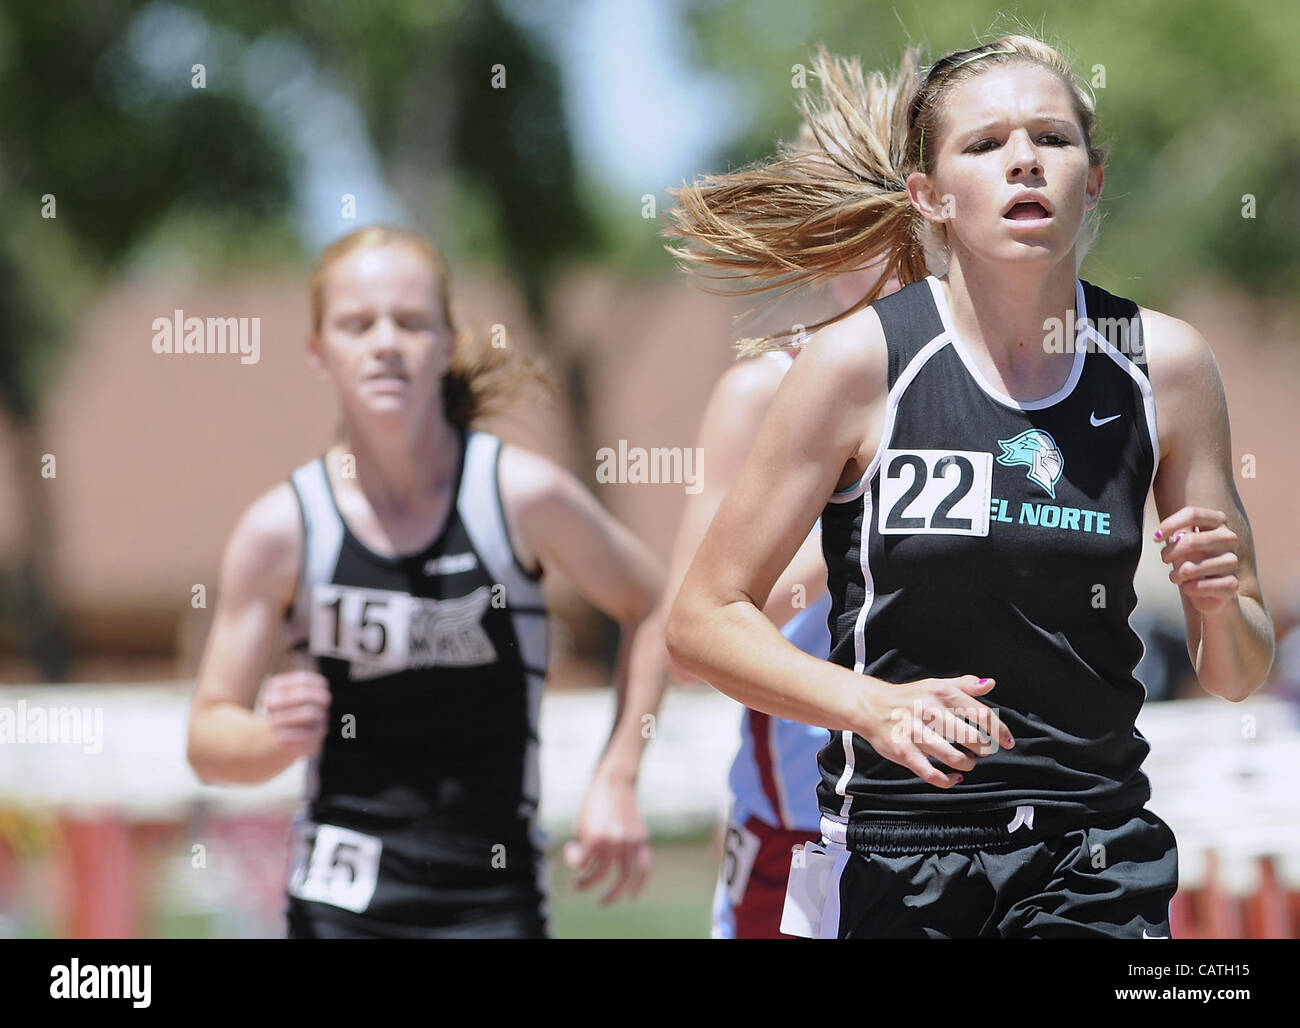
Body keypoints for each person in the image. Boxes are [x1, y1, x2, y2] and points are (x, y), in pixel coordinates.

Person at [665, 35, 1275, 939]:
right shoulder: (858, 364)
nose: (1024, 158)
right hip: (896, 854)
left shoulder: (1166, 366)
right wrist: (869, 706)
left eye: (1052, 138)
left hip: (1093, 856)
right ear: (929, 196)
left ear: (1093, 181)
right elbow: (701, 621)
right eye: (986, 144)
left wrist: (1222, 604)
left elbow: (1239, 671)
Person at [186, 225, 663, 938]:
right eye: (356, 324)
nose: (384, 342)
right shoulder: (283, 530)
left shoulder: (519, 498)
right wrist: (271, 738)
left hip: (493, 900)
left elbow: (656, 606)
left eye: (409, 321)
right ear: (318, 352)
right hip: (340, 897)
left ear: (445, 343)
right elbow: (207, 736)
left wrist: (618, 778)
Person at [646, 49, 911, 939]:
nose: (885, 261)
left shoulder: (1001, 394)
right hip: (802, 837)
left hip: (978, 831)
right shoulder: (766, 394)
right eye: (852, 231)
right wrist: (844, 526)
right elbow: (690, 634)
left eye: (907, 228)